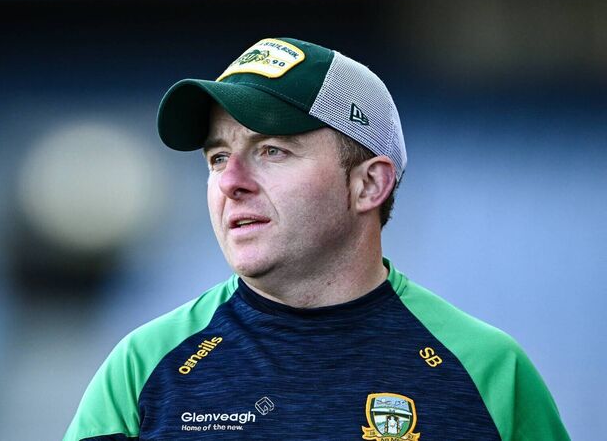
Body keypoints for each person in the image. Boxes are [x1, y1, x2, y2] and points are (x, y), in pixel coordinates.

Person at [62, 37, 569, 440]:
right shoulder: (142, 367)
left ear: (368, 184)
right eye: (217, 157)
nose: (230, 181)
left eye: (272, 150)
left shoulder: (490, 372)